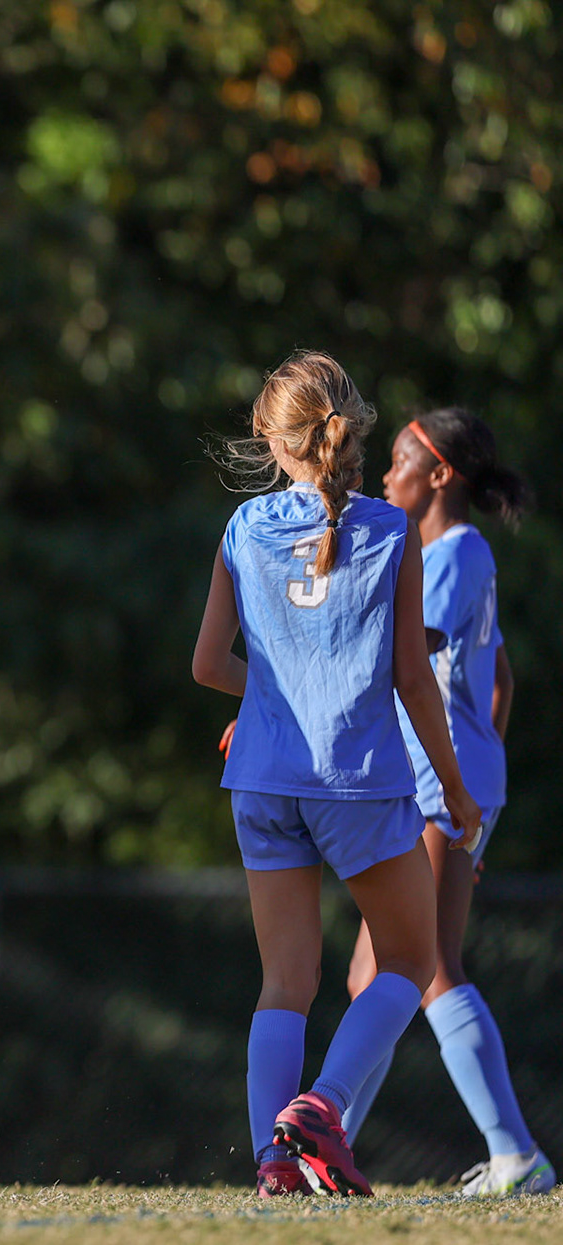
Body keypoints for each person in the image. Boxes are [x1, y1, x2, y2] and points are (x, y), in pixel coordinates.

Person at [192, 351, 480, 1198]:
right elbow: (414, 680)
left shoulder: (243, 528)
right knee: (412, 961)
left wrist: (274, 697)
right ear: (351, 430)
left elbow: (209, 664)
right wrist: (454, 788)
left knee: (285, 982)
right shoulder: (391, 531)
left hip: (261, 779)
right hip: (357, 780)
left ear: (274, 442)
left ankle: (274, 1165)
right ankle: (321, 1108)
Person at [335, 409, 552, 1196]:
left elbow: (408, 656)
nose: (386, 475)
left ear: (439, 476)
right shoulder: (456, 555)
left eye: (398, 461)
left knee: (421, 969)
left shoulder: (454, 552)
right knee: (373, 976)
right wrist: (481, 794)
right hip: (451, 781)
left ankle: (516, 1155)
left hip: (438, 783)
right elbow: (502, 681)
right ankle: (331, 1154)